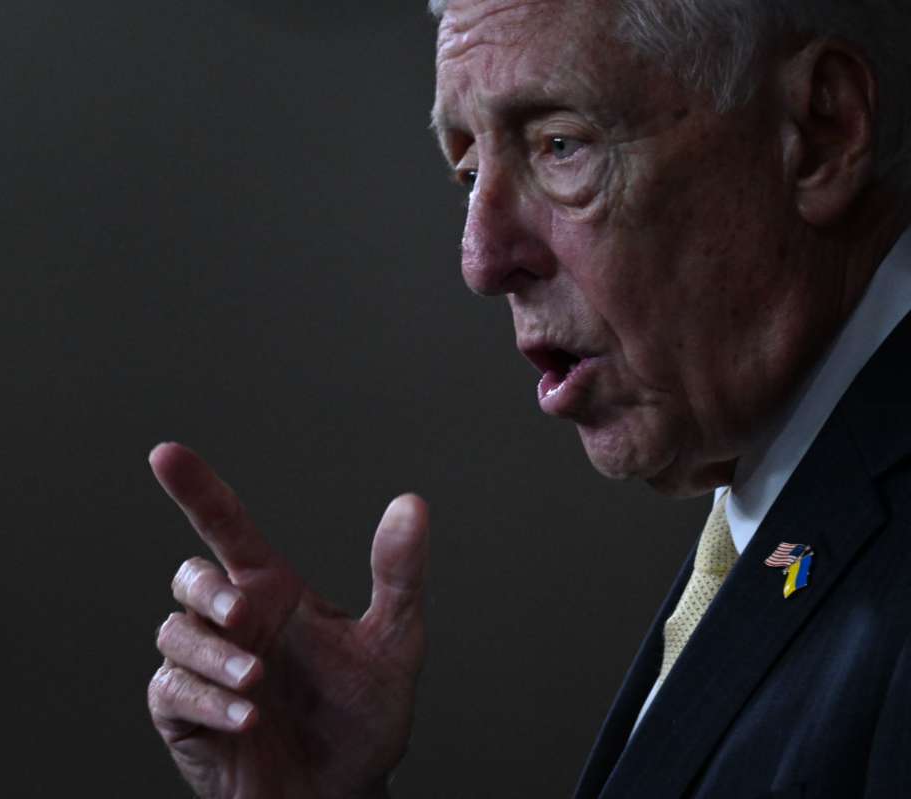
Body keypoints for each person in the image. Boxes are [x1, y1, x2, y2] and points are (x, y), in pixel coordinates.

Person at [146, 0, 911, 795]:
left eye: (559, 145)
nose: (480, 261)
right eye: (469, 172)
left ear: (821, 134)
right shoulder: (789, 508)